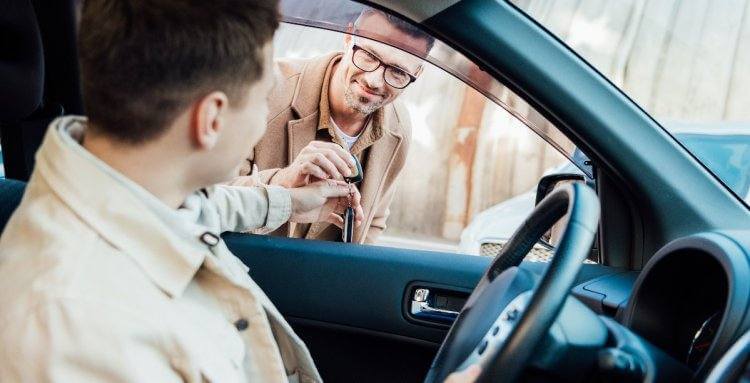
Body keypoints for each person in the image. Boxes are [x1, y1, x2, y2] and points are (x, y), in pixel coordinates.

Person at [0, 0, 478, 382]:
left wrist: (290, 195)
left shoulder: (137, 194)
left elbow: (205, 206)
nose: (265, 112)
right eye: (258, 95)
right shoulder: (76, 327)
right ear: (211, 120)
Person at [232, 8, 434, 244]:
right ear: (349, 37)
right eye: (368, 55)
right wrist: (284, 182)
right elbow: (206, 199)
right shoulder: (261, 89)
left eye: (398, 72)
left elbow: (373, 222)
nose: (374, 81)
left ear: (417, 73)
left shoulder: (399, 127)